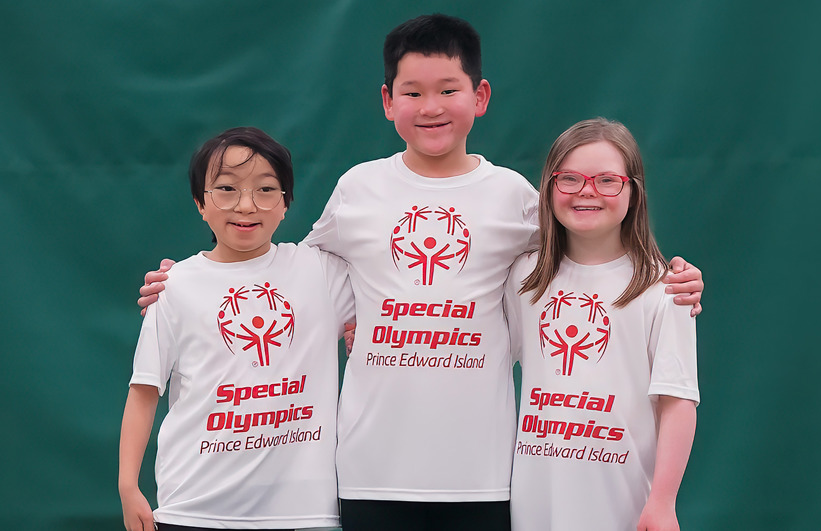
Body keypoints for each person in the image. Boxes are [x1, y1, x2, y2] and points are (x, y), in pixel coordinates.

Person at [138, 15, 704, 530]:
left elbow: (584, 249)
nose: (431, 106)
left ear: (480, 96)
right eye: (412, 92)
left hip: (484, 476)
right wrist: (188, 278)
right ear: (387, 101)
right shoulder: (358, 189)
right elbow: (287, 273)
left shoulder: (512, 197)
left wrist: (670, 275)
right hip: (367, 470)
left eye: (448, 90)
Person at [119, 127, 354, 531]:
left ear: (286, 203)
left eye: (265, 190)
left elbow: (398, 292)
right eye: (226, 190)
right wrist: (128, 486)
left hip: (300, 512)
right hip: (194, 508)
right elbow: (144, 390)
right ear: (200, 203)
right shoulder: (175, 286)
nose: (246, 206)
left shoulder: (320, 272)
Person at [505, 118, 699, 530]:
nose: (587, 191)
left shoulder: (665, 288)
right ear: (548, 187)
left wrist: (663, 502)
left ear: (634, 191)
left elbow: (678, 400)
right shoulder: (523, 279)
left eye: (607, 180)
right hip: (534, 507)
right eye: (570, 178)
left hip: (622, 509)